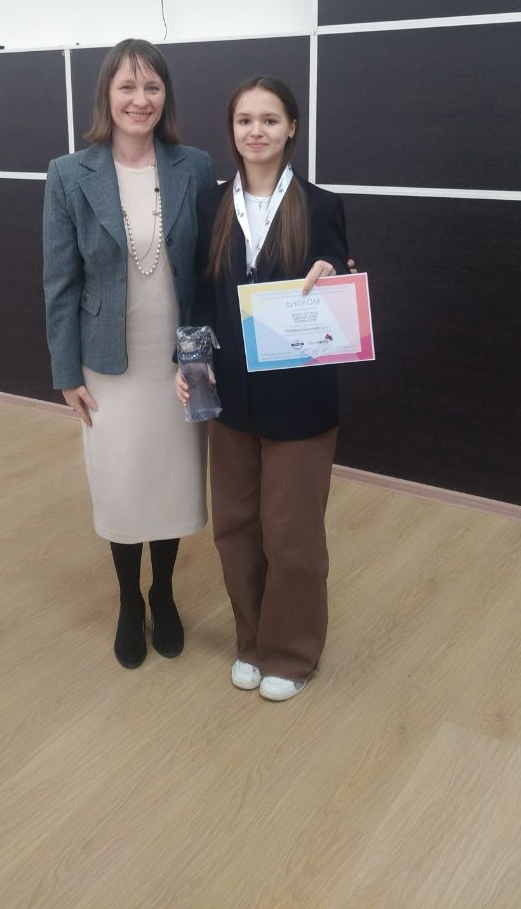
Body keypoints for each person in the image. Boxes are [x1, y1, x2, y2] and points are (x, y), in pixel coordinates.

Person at [177, 76, 350, 701]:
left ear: (291, 129)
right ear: (232, 130)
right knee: (236, 528)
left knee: (292, 535)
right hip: (230, 399)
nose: (257, 131)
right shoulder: (210, 206)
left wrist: (335, 277)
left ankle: (291, 653)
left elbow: (340, 295)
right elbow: (199, 293)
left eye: (270, 120)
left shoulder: (322, 206)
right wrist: (193, 361)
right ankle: (251, 642)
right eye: (245, 120)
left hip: (301, 402)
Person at [43, 38, 214, 669]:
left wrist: (204, 358)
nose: (140, 100)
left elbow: (209, 267)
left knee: (170, 483)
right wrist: (65, 373)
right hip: (106, 365)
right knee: (120, 485)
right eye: (127, 87)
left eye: (152, 87)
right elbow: (60, 283)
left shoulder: (194, 165)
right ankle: (127, 600)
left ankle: (163, 593)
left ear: (166, 96)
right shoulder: (69, 173)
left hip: (178, 362)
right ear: (106, 96)